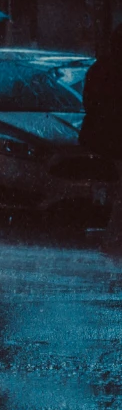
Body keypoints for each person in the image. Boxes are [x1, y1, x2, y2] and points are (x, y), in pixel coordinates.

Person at [79, 28, 122, 248]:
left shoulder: (99, 69)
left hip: (100, 136)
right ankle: (112, 236)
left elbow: (89, 101)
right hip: (110, 136)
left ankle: (110, 235)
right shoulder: (105, 70)